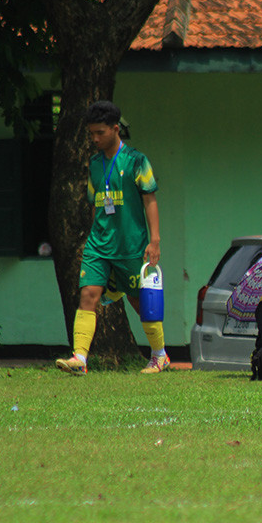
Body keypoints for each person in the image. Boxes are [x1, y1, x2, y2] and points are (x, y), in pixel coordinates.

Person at [55, 100, 169, 375]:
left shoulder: (137, 161)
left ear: (116, 129)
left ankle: (159, 355)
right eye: (91, 133)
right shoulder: (94, 164)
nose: (94, 139)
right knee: (88, 295)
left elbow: (149, 200)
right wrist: (94, 236)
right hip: (99, 244)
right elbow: (97, 204)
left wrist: (154, 241)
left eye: (100, 133)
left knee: (140, 302)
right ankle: (79, 359)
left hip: (131, 246)